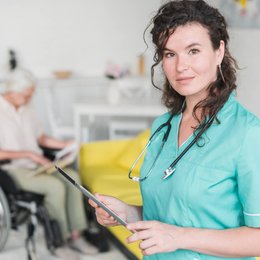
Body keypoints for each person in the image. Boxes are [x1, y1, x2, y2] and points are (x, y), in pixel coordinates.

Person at [89, 0, 260, 259]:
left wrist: (179, 237)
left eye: (193, 51)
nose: (180, 66)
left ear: (219, 51)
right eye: (170, 54)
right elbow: (167, 213)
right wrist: (127, 212)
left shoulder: (248, 134)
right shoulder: (163, 128)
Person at [0, 69, 98, 260]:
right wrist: (29, 154)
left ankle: (76, 235)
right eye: (27, 95)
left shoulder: (27, 110)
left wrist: (65, 144)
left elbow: (40, 137)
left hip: (36, 163)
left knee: (73, 178)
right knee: (55, 187)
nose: (30, 99)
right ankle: (58, 241)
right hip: (13, 169)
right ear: (13, 92)